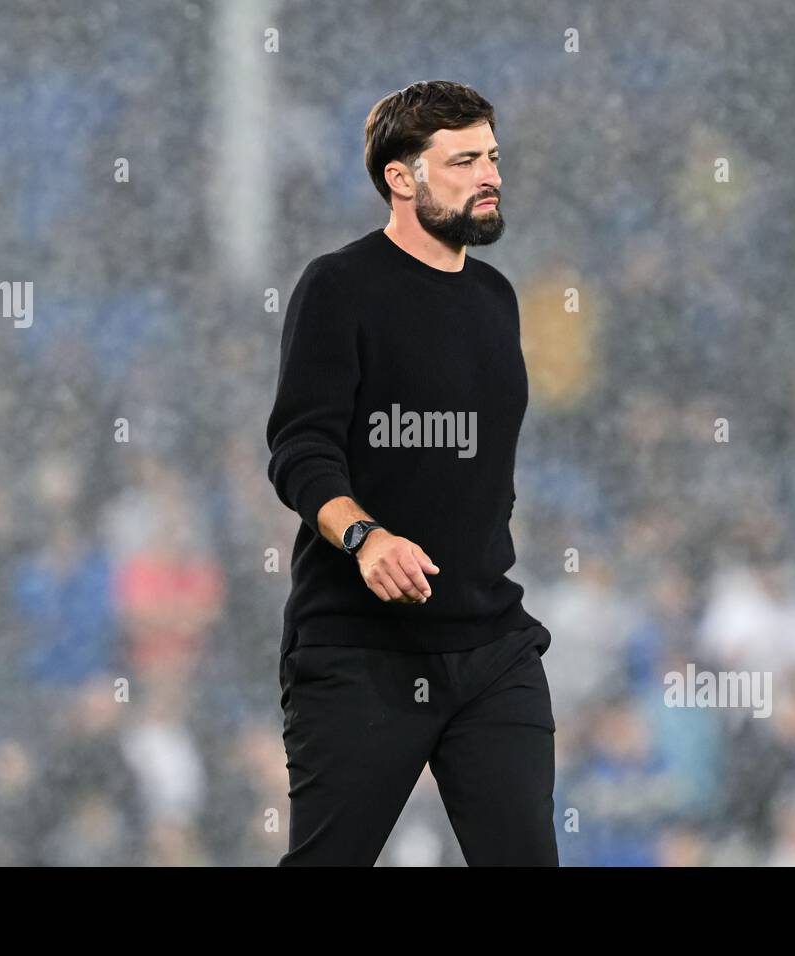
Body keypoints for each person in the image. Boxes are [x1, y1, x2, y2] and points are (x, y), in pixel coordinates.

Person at [265, 79, 557, 866]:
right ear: (402, 178)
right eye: (463, 160)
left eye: (492, 155)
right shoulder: (338, 287)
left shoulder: (497, 298)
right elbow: (300, 450)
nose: (489, 174)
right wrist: (365, 537)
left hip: (493, 647)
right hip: (361, 649)